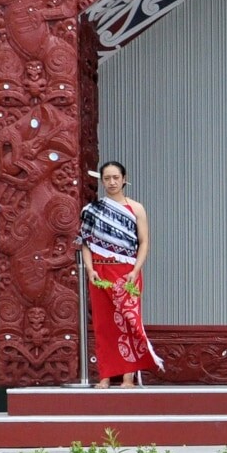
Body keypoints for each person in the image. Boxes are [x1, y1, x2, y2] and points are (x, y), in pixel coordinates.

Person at [79, 161, 164, 387]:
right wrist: (90, 270)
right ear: (102, 180)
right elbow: (85, 243)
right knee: (103, 323)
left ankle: (128, 376)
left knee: (129, 321)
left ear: (124, 178)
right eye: (107, 178)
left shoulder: (136, 208)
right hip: (100, 272)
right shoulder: (91, 210)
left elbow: (144, 242)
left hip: (127, 272)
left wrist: (136, 270)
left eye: (116, 177)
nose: (112, 182)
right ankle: (105, 376)